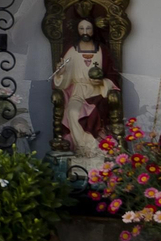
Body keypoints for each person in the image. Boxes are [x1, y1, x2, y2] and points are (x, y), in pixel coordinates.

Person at [51, 17, 120, 157]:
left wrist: (101, 82)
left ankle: (95, 150)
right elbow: (63, 79)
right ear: (77, 30)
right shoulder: (72, 51)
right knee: (73, 112)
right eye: (82, 28)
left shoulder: (102, 50)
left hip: (97, 92)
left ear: (93, 30)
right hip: (77, 91)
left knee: (95, 114)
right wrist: (61, 73)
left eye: (88, 28)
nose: (85, 32)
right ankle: (81, 150)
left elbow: (113, 74)